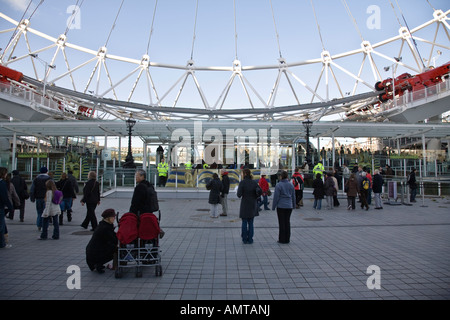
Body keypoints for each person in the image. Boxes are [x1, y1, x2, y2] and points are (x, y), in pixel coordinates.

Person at [86, 208, 118, 274]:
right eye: (113, 217)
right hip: (94, 255)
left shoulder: (103, 225)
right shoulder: (105, 228)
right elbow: (113, 240)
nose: (114, 219)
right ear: (108, 218)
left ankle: (98, 263)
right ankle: (99, 264)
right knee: (116, 250)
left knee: (113, 247)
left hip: (91, 253)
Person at [237, 168, 261, 244]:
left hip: (245, 204)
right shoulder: (254, 182)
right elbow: (258, 192)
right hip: (252, 204)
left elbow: (239, 195)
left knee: (244, 221)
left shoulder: (242, 183)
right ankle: (250, 239)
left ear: (245, 174)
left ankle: (244, 239)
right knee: (251, 222)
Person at [272, 171, 296, 244]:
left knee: (281, 222)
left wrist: (274, 206)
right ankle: (287, 238)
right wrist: (294, 205)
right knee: (287, 222)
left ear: (281, 177)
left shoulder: (279, 185)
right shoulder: (291, 185)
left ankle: (282, 239)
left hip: (281, 206)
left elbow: (276, 196)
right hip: (289, 206)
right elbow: (293, 196)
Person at [30, 167, 52, 231]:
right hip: (47, 198)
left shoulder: (36, 179)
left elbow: (32, 189)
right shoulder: (49, 179)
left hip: (38, 198)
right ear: (47, 172)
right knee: (46, 212)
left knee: (39, 212)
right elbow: (53, 188)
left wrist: (32, 198)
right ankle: (45, 225)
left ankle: (39, 225)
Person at [0, 167, 13, 249]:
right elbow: (4, 196)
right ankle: (2, 243)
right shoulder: (2, 183)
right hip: (0, 206)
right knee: (1, 226)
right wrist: (10, 206)